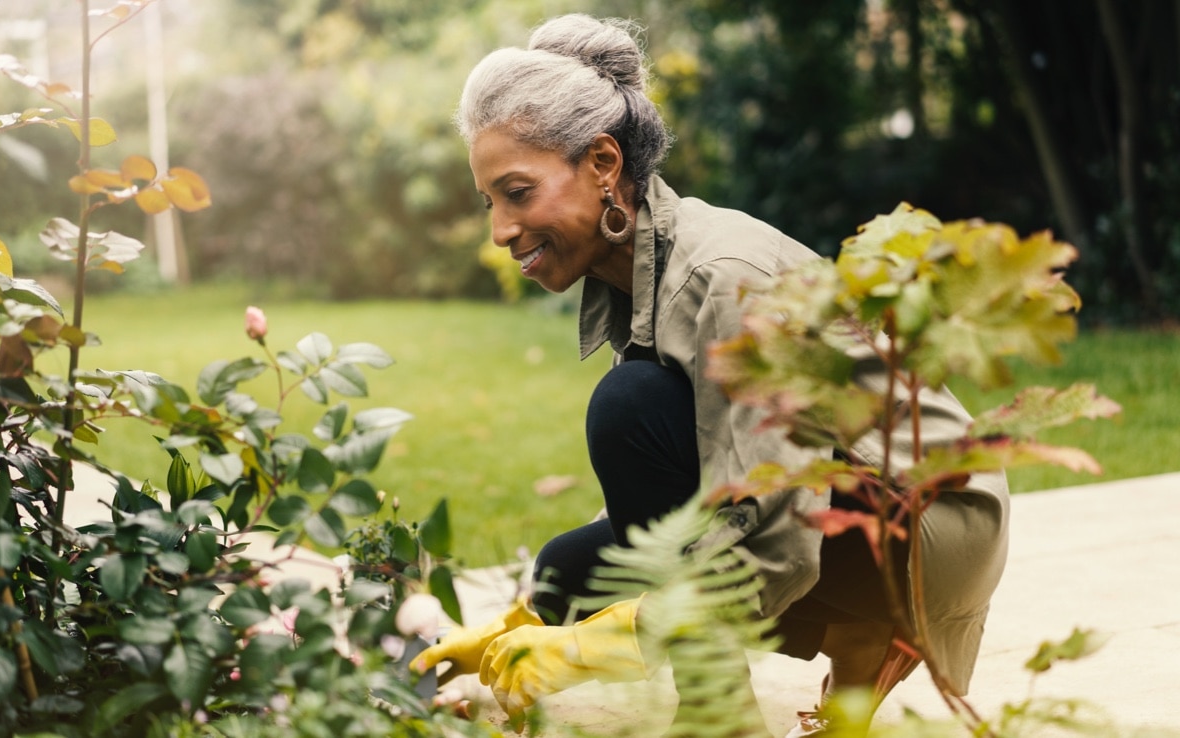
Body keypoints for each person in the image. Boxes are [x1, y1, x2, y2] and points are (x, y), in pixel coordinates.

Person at [412, 14, 1009, 737]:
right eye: (489, 203)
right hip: (844, 502)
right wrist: (526, 625)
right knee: (568, 570)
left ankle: (739, 705)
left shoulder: (723, 276)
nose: (501, 231)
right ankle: (856, 638)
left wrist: (593, 644)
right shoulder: (635, 270)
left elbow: (778, 537)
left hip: (927, 526)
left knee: (628, 407)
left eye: (517, 192)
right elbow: (687, 476)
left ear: (604, 165)